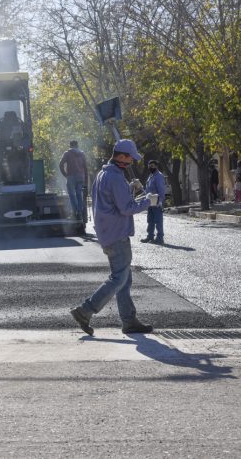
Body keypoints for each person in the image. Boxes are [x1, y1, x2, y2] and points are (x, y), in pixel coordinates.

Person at [70, 139, 156, 336]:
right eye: (131, 158)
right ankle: (85, 310)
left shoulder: (103, 174)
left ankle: (129, 321)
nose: (132, 162)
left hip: (107, 233)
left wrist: (131, 190)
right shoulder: (116, 177)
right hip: (117, 234)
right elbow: (126, 208)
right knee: (118, 279)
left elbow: (115, 202)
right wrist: (148, 201)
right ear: (122, 157)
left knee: (124, 281)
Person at [59, 140, 88, 220]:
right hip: (81, 177)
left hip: (71, 176)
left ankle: (75, 212)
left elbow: (60, 164)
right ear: (77, 145)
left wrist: (65, 175)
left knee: (72, 195)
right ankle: (80, 212)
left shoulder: (67, 153)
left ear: (70, 146)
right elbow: (85, 168)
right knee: (79, 195)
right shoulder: (82, 154)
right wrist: (86, 181)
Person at [139, 160, 166, 245]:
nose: (151, 167)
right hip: (150, 202)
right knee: (150, 220)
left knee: (158, 221)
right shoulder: (151, 176)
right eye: (149, 166)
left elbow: (161, 190)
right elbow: (148, 190)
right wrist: (140, 187)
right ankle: (150, 236)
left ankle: (160, 238)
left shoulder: (159, 176)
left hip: (157, 202)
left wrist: (160, 202)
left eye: (153, 166)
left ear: (157, 166)